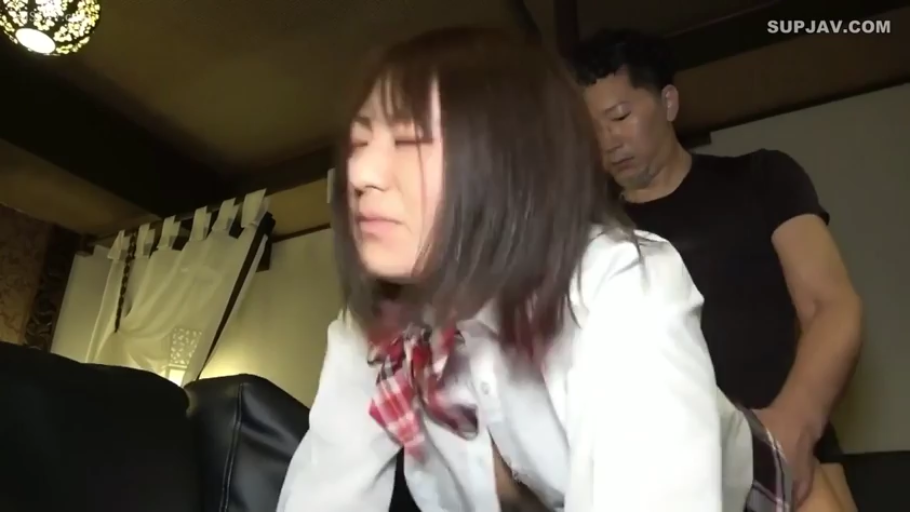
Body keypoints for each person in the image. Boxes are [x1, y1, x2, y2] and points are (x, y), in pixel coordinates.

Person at [277, 27, 791, 512]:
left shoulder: (616, 282)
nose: (360, 173)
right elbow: (324, 491)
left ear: (507, 158)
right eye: (359, 143)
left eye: (410, 141)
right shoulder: (371, 330)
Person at [570, 29, 864, 512]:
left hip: (793, 453)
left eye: (620, 117)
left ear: (668, 102)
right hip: (667, 475)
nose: (608, 141)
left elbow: (831, 306)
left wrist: (793, 427)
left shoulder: (761, 178)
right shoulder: (590, 234)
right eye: (590, 129)